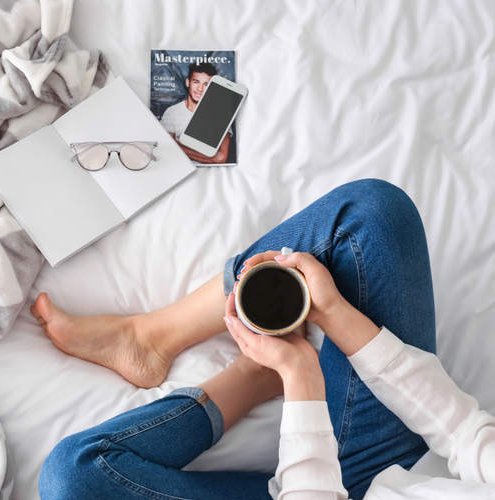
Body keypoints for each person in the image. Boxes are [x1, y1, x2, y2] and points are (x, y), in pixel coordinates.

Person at [32, 179, 495, 499]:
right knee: (371, 215)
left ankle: (253, 377)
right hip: (398, 459)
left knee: (76, 478)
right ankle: (154, 336)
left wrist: (301, 377)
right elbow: (468, 438)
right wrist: (336, 315)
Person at [161, 62, 232, 164]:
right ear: (188, 82)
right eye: (196, 82)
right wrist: (210, 156)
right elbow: (166, 149)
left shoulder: (220, 114)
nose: (200, 88)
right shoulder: (172, 112)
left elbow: (221, 158)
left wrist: (176, 144)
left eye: (206, 84)